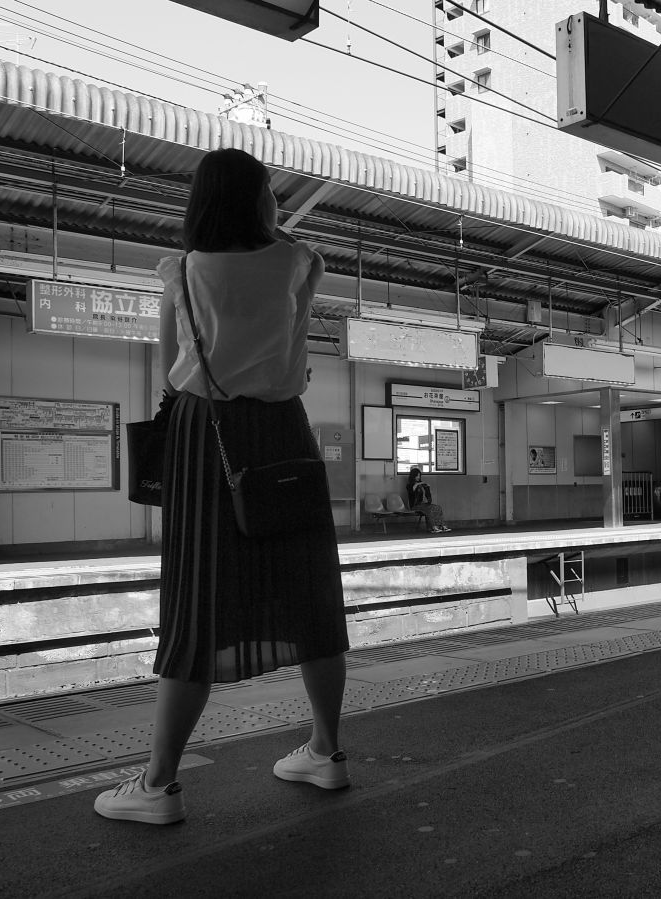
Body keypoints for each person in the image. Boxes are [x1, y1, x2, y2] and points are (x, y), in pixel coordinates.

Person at [94, 148, 350, 825]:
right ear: (262, 198)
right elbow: (296, 341)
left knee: (197, 599)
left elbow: (169, 364)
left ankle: (158, 785)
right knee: (309, 589)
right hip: (283, 434)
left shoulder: (180, 268)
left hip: (203, 438)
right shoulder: (300, 262)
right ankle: (326, 751)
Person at [406, 466, 450, 533]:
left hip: (422, 504)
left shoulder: (421, 485)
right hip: (415, 505)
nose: (418, 477)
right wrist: (419, 484)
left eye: (419, 476)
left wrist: (427, 487)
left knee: (438, 507)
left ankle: (442, 525)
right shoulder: (409, 485)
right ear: (413, 476)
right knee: (429, 509)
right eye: (417, 476)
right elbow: (412, 490)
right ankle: (433, 527)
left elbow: (427, 495)